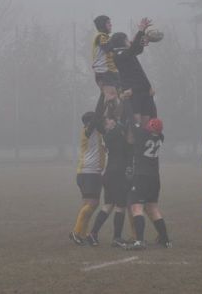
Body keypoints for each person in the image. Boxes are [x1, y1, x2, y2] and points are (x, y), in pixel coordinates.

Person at [128, 118, 171, 250]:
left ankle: (139, 241)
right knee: (153, 209)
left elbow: (131, 120)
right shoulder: (160, 137)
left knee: (136, 208)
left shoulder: (141, 134)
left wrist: (127, 101)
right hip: (154, 177)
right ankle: (165, 239)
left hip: (141, 176)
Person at [88, 117, 130, 248]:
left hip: (111, 174)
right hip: (115, 174)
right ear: (106, 126)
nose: (113, 121)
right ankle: (116, 237)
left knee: (108, 205)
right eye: (110, 121)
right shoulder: (109, 134)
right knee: (120, 205)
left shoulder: (113, 134)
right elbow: (122, 126)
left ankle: (93, 233)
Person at [109, 17, 156, 127]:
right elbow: (134, 48)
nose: (128, 41)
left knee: (147, 121)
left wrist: (143, 36)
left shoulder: (127, 52)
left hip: (143, 90)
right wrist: (140, 31)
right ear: (121, 42)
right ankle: (134, 140)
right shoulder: (119, 54)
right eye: (126, 40)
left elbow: (137, 48)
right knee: (136, 121)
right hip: (133, 91)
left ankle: (145, 140)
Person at [69, 111, 105, 246]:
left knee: (87, 205)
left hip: (86, 173)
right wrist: (103, 94)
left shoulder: (98, 133)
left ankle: (81, 234)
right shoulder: (88, 132)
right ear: (90, 122)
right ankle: (76, 232)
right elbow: (97, 116)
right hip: (89, 173)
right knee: (93, 204)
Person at [92, 15, 120, 119]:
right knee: (111, 98)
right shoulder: (101, 36)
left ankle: (115, 119)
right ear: (102, 25)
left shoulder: (107, 38)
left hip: (112, 72)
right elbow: (108, 48)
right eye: (108, 23)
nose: (111, 25)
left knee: (123, 96)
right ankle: (107, 122)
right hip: (103, 72)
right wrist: (119, 39)